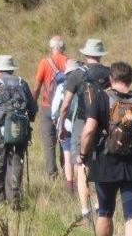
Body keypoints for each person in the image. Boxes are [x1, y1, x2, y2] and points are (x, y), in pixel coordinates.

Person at [79, 62, 132, 236]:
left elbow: (89, 130)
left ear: (111, 78)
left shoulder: (101, 97)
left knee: (105, 212)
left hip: (106, 162)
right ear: (131, 79)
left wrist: (83, 154)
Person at [57, 38, 112, 219]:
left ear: (86, 54)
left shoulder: (77, 75)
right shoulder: (110, 73)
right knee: (100, 163)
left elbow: (65, 105)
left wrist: (61, 124)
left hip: (82, 122)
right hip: (105, 124)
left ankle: (84, 209)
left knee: (81, 164)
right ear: (100, 55)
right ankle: (99, 203)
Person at [0, 55, 37, 209]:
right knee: (17, 162)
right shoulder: (22, 83)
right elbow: (32, 108)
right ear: (12, 69)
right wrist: (28, 121)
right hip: (20, 130)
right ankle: (14, 198)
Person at [32, 35, 69, 179]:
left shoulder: (44, 62)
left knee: (49, 142)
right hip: (64, 107)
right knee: (64, 140)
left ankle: (52, 174)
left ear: (51, 48)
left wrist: (33, 103)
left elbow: (36, 86)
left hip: (47, 106)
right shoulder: (68, 62)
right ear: (63, 48)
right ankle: (67, 171)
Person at [51, 59, 82, 193]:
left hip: (65, 124)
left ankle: (70, 187)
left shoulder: (62, 86)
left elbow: (54, 110)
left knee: (67, 154)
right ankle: (80, 183)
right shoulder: (84, 85)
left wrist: (57, 122)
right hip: (80, 125)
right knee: (78, 157)